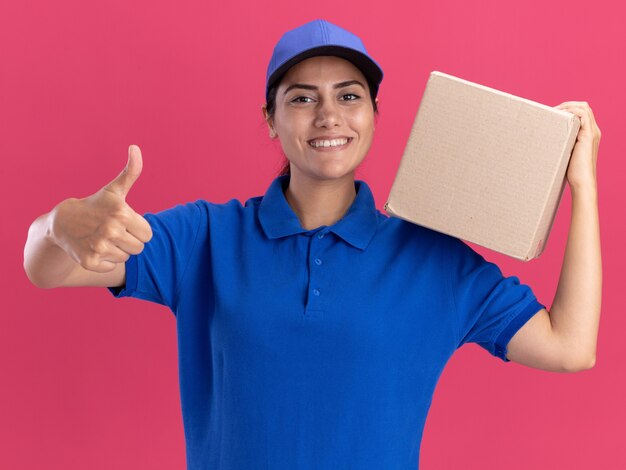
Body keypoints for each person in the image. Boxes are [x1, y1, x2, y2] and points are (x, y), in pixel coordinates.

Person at [23, 18, 602, 470]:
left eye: (349, 96)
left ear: (375, 113)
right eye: (301, 98)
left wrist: (581, 186)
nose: (328, 115)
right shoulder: (204, 238)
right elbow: (46, 270)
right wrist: (57, 225)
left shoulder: (434, 258)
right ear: (271, 119)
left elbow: (570, 346)